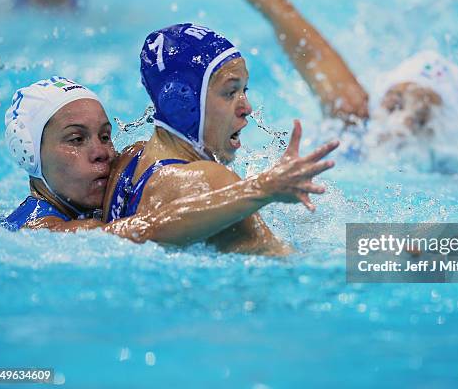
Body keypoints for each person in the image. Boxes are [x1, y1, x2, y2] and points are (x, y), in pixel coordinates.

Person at [2, 76, 338, 253]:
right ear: (30, 153)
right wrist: (261, 189)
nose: (101, 152)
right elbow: (146, 231)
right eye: (77, 140)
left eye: (105, 136)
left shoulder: (120, 173)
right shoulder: (39, 231)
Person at [102, 23, 339, 255]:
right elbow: (290, 269)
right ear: (181, 104)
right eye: (230, 92)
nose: (246, 107)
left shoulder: (127, 162)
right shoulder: (211, 181)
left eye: (244, 91)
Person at [232, 0, 458, 143]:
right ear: (380, 98)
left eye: (420, 121)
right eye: (394, 106)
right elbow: (281, 11)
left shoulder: (451, 166)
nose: (402, 126)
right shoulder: (353, 117)